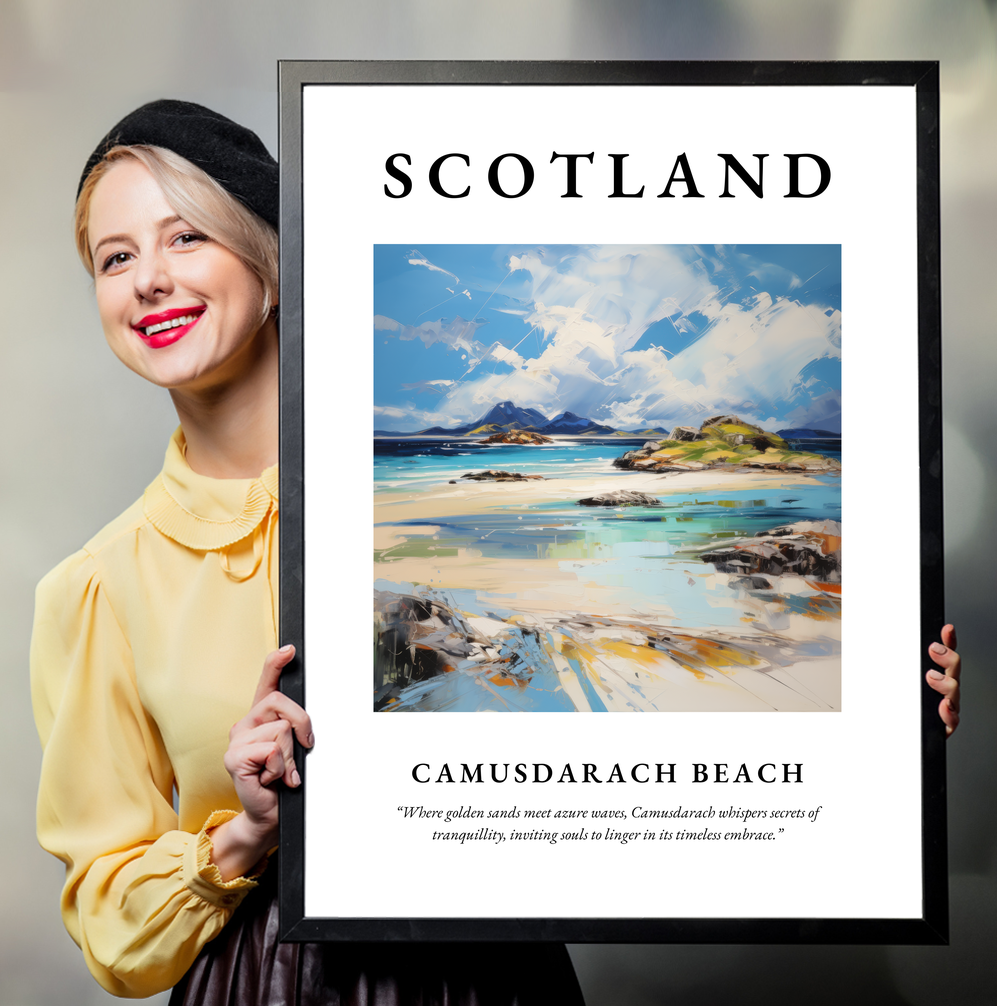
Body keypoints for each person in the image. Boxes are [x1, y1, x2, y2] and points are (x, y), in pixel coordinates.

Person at [30, 100, 585, 1004]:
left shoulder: (437, 511)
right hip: (264, 981)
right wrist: (245, 832)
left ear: (273, 264)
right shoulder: (97, 586)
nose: (148, 281)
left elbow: (600, 713)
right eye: (116, 257)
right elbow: (110, 924)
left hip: (493, 972)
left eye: (185, 239)